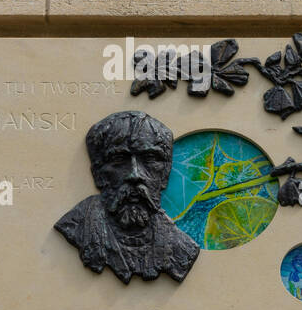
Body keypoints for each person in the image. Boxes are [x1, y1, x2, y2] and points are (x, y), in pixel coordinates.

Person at [54, 110, 199, 283]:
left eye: (150, 159)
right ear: (98, 174)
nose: (134, 174)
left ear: (165, 174)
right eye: (118, 160)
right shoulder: (77, 225)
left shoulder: (181, 248)